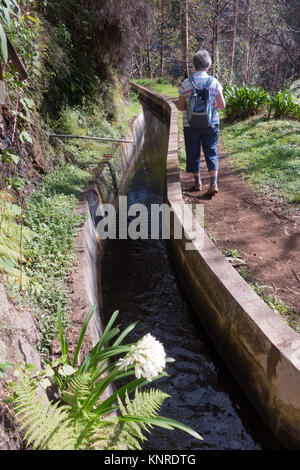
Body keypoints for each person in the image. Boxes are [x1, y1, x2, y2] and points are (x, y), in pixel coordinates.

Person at [178, 49, 226, 196]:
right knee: (211, 150)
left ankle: (197, 182)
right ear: (208, 66)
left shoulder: (186, 83)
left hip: (190, 125)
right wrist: (213, 106)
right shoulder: (214, 82)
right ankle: (213, 183)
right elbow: (222, 104)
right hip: (211, 124)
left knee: (193, 151)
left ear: (194, 66)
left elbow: (181, 107)